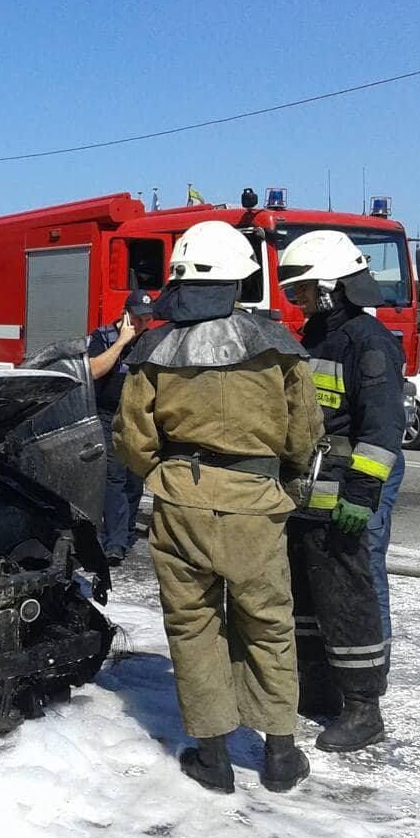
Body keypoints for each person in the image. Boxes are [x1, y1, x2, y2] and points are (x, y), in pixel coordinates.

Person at [115, 221, 323, 794]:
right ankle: (280, 755)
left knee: (193, 626)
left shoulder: (153, 349)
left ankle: (213, 759)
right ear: (241, 278)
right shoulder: (279, 347)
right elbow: (305, 433)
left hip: (180, 503)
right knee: (269, 626)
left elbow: (133, 440)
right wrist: (280, 477)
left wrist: (168, 476)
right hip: (255, 505)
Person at [277, 229, 405, 753]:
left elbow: (381, 429)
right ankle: (321, 689)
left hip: (343, 497)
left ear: (332, 286)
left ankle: (362, 708)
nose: (297, 299)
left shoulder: (369, 343)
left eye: (303, 290)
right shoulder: (315, 337)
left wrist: (360, 494)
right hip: (309, 495)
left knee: (350, 601)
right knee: (308, 597)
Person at [88, 289, 154, 565]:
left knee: (135, 477)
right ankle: (114, 542)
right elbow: (93, 371)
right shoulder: (102, 337)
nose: (142, 324)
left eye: (146, 319)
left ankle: (124, 533)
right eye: (137, 318)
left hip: (137, 416)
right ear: (125, 314)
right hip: (108, 414)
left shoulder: (149, 341)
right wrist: (121, 343)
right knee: (114, 477)